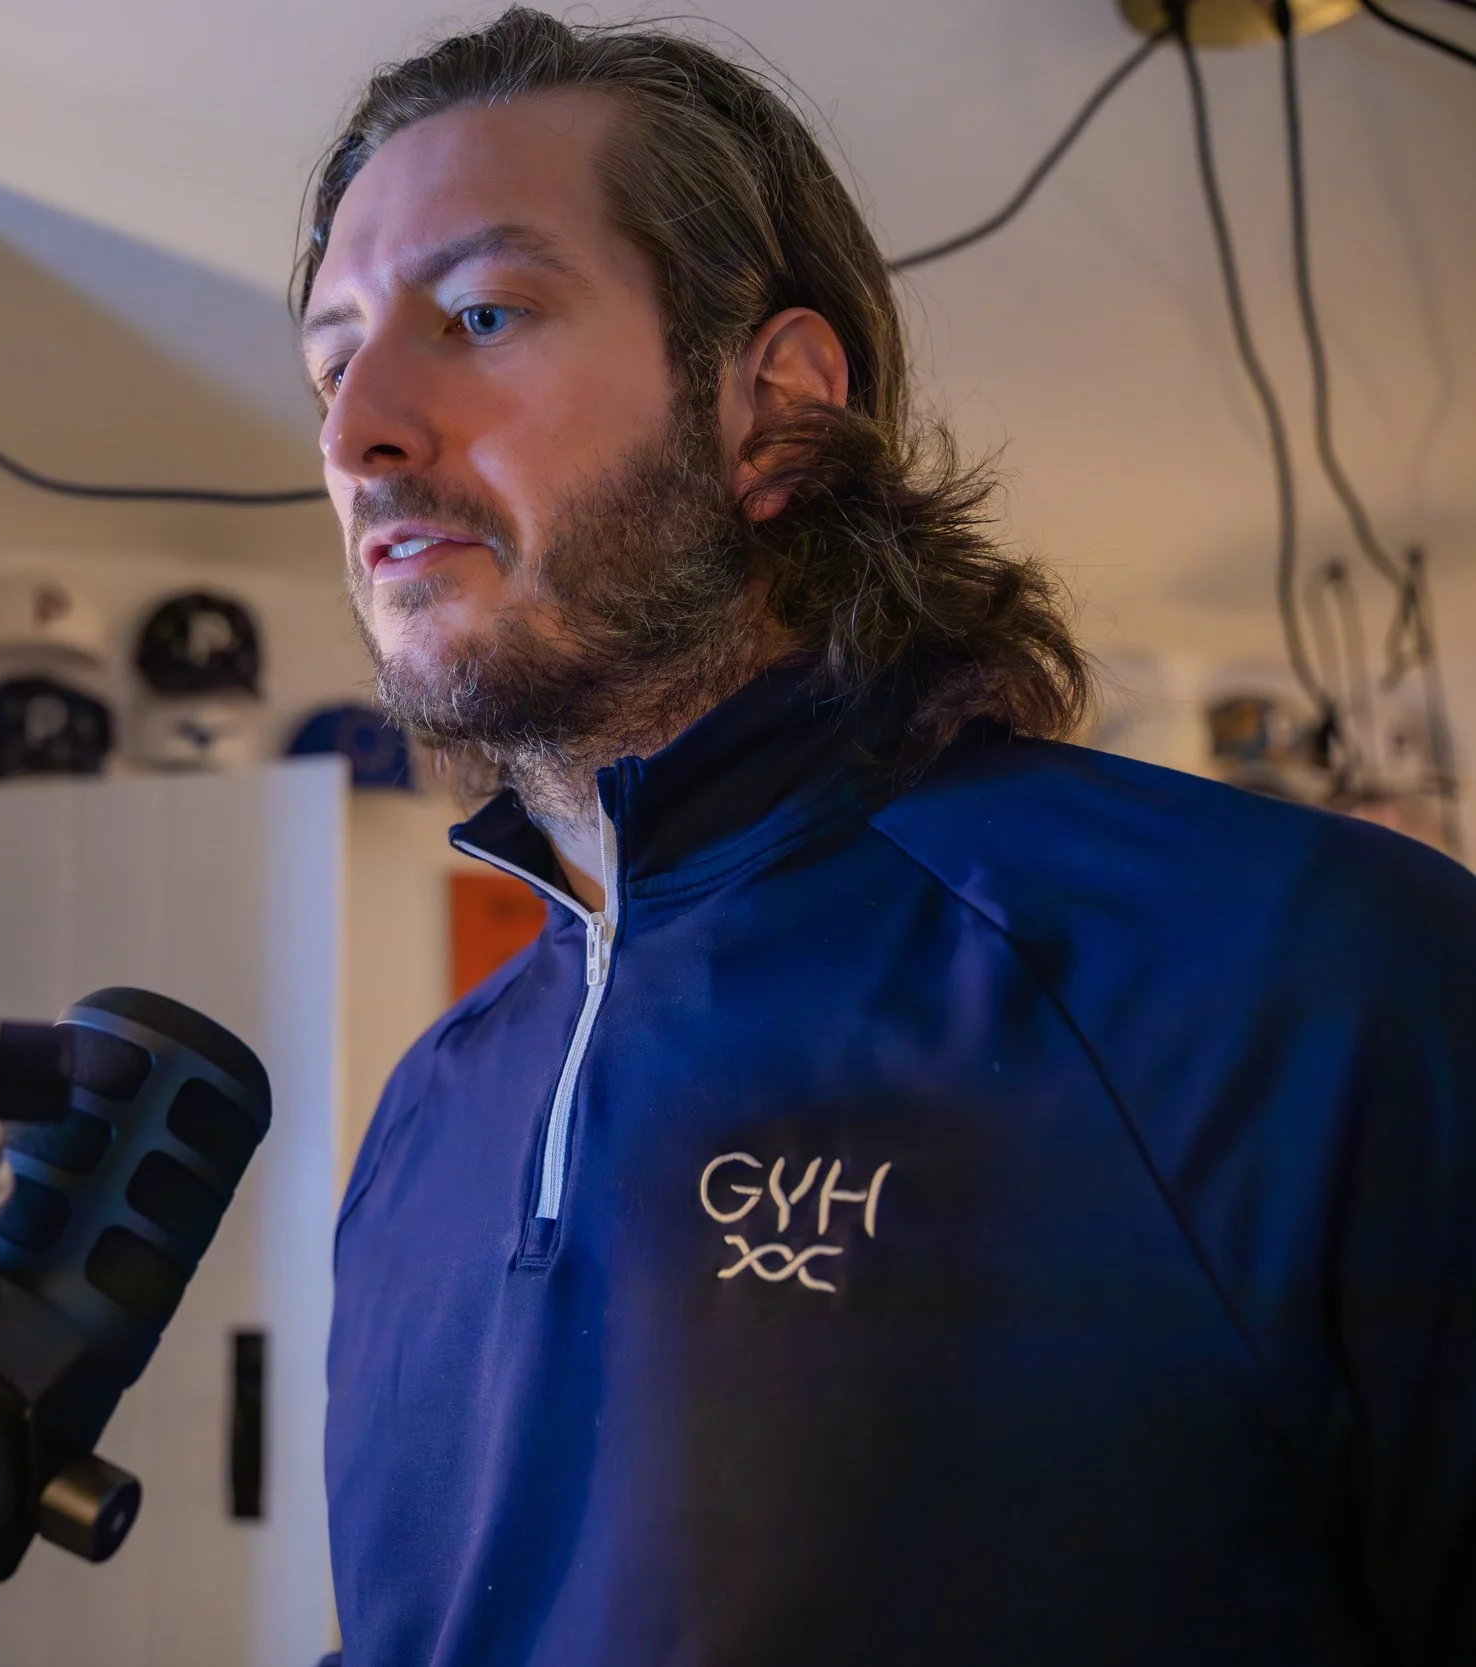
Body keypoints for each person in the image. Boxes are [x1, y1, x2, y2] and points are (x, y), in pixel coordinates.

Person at [297, 11, 1475, 1664]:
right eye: (331, 358)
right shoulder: (429, 1111)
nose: (359, 434)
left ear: (773, 407)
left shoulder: (1312, 974)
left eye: (482, 314)